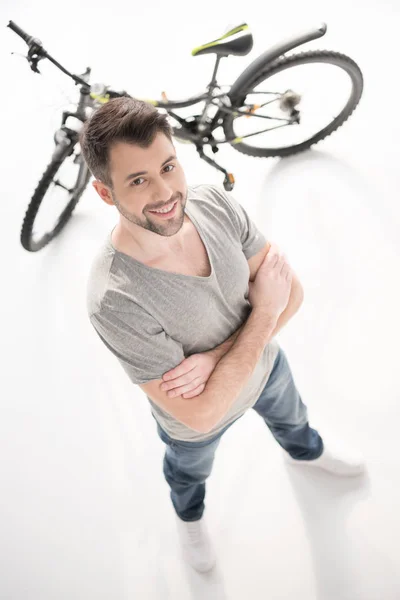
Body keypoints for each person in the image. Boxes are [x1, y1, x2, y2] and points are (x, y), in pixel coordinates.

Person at [81, 97, 366, 573]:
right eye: (138, 180)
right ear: (106, 194)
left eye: (168, 166)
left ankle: (307, 455)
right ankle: (189, 518)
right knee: (188, 475)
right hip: (192, 427)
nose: (166, 191)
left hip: (267, 370)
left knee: (295, 422)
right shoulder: (114, 298)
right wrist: (263, 312)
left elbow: (291, 295)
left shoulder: (212, 202)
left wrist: (214, 357)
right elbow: (202, 413)